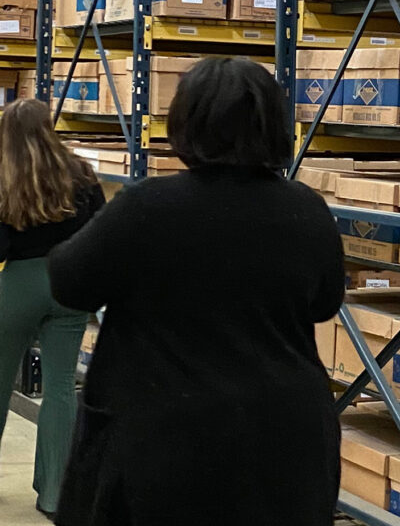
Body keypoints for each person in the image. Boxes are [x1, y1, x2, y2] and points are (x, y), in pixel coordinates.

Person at [49, 58, 345, 526]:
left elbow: (69, 284)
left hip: (166, 442)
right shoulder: (306, 209)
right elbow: (326, 303)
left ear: (186, 122)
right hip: (284, 442)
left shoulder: (146, 207)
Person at [0, 98, 105, 521]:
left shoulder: (4, 174)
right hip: (67, 285)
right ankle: (55, 496)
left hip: (18, 285)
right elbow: (97, 231)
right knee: (61, 388)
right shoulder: (80, 172)